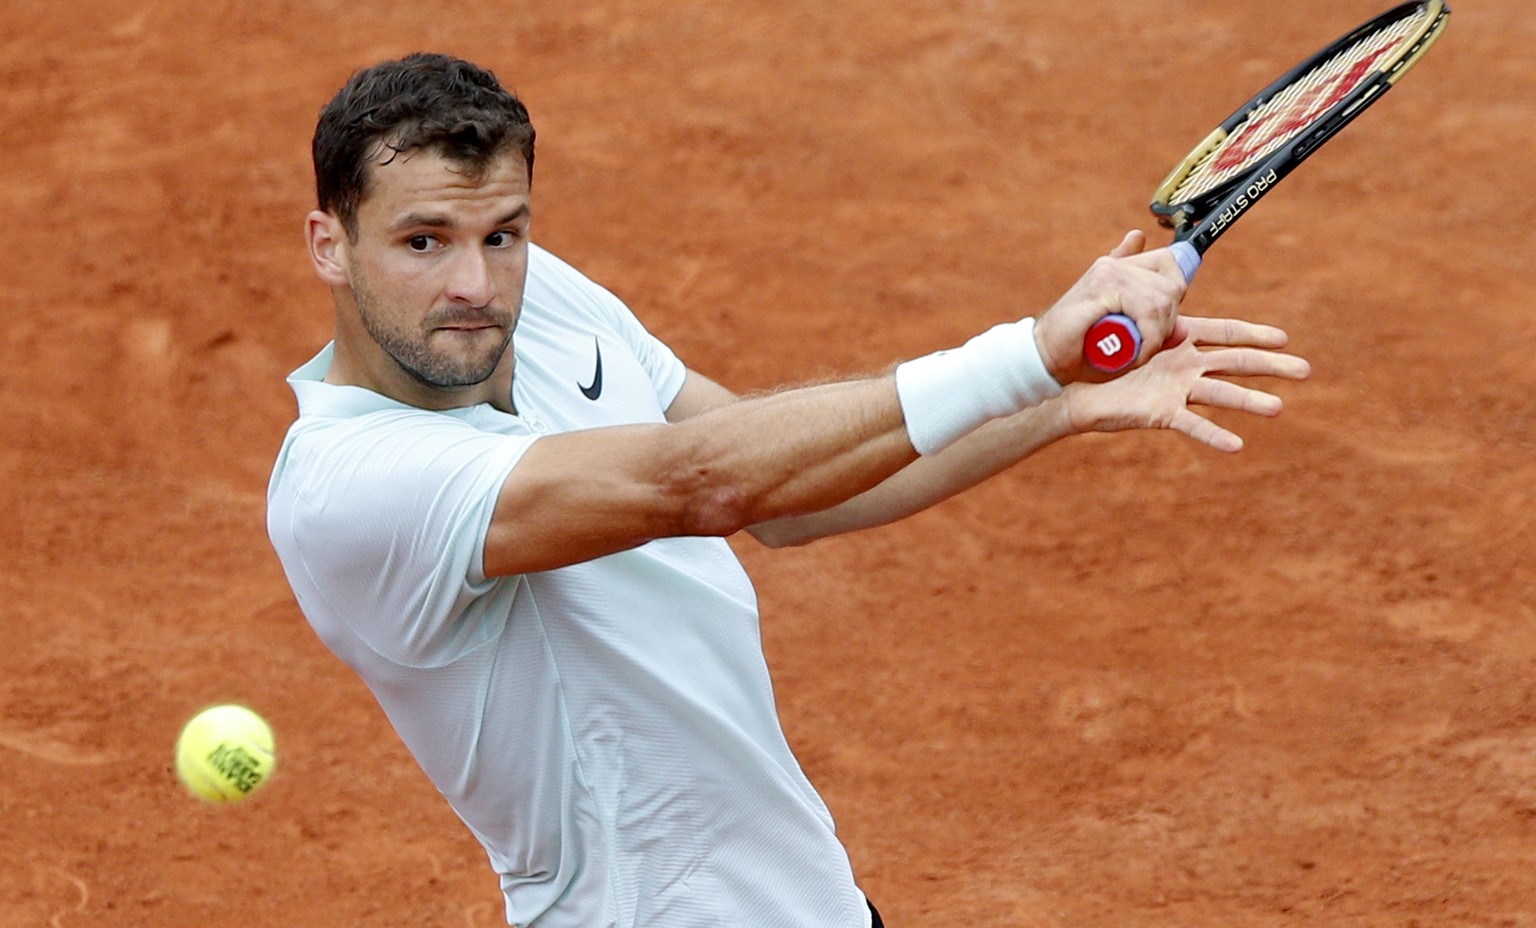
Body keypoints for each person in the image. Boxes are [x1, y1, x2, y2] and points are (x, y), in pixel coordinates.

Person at [266, 52, 1308, 928]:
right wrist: (1029, 353)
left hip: (809, 897)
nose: (475, 286)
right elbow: (701, 481)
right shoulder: (351, 487)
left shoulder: (533, 298)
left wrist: (1059, 401)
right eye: (422, 241)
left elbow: (789, 492)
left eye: (504, 233)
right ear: (331, 244)